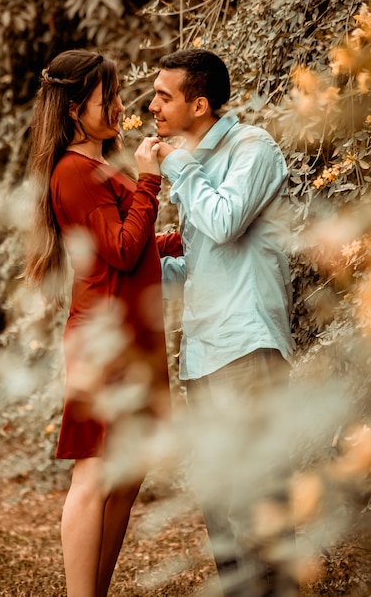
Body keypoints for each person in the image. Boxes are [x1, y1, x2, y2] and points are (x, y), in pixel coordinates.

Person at [139, 49, 297, 596]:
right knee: (221, 506)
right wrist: (142, 268)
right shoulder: (194, 163)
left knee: (259, 500)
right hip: (203, 353)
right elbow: (204, 264)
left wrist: (177, 167)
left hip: (247, 348)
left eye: (164, 95)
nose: (151, 104)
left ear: (198, 104)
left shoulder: (252, 147)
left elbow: (225, 222)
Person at [23, 49, 173, 597]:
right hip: (102, 338)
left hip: (132, 335)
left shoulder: (99, 167)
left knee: (128, 473)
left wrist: (183, 239)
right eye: (105, 96)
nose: (117, 105)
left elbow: (133, 244)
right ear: (72, 108)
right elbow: (122, 249)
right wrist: (150, 181)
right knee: (94, 473)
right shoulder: (73, 171)